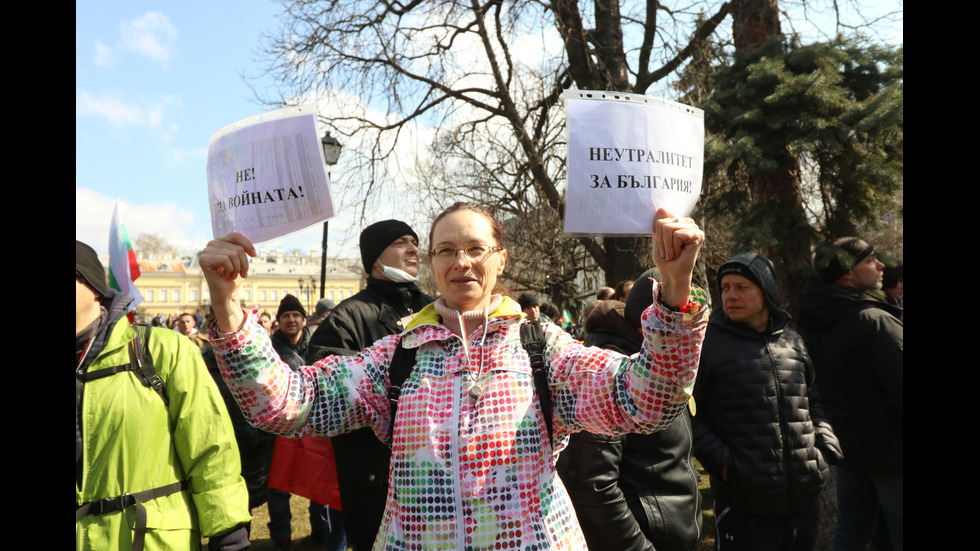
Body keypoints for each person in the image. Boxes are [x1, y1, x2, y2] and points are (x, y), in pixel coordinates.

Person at [201, 203, 708, 550]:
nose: (461, 261)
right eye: (445, 250)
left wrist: (676, 289)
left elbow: (647, 400)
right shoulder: (397, 356)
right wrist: (226, 306)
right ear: (432, 265)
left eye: (475, 248)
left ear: (500, 259)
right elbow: (284, 404)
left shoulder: (541, 348)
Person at [75, 240, 250, 550]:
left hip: (150, 540)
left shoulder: (160, 351)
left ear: (92, 285)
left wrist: (229, 535)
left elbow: (210, 448)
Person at [692, 253, 842, 551]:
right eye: (725, 288)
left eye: (741, 287)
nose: (730, 295)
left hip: (803, 500)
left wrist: (825, 447)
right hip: (744, 506)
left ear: (766, 291)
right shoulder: (706, 345)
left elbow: (812, 399)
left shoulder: (792, 341)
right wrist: (725, 465)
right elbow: (688, 414)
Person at [304, 219, 435, 551]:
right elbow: (324, 400)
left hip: (438, 482)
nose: (412, 249)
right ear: (375, 259)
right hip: (377, 486)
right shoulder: (345, 319)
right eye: (400, 242)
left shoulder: (436, 309)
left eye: (414, 241)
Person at [557, 271, 703, 551]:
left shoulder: (666, 370)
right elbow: (592, 486)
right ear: (648, 320)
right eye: (678, 319)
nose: (687, 336)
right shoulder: (608, 373)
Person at [793, 238, 903, 551]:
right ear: (848, 275)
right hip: (892, 455)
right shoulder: (876, 321)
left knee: (852, 532)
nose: (881, 265)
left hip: (848, 450)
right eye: (871, 261)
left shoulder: (813, 319)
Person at [265, 294, 344, 551]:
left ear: (303, 319)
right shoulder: (270, 349)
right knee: (279, 483)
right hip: (279, 424)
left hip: (312, 421)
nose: (291, 320)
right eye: (286, 315)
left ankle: (320, 529)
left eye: (296, 315)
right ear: (279, 321)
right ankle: (282, 534)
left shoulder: (317, 344)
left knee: (318, 474)